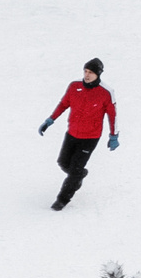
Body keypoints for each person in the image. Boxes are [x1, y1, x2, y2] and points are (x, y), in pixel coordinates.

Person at [38, 58, 119, 211]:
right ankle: (79, 175)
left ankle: (62, 199)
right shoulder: (74, 86)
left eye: (91, 72)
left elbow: (112, 115)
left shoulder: (106, 93)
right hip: (72, 133)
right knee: (63, 162)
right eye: (86, 71)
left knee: (74, 170)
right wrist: (50, 120)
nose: (87, 75)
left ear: (98, 74)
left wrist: (113, 136)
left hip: (90, 137)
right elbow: (64, 104)